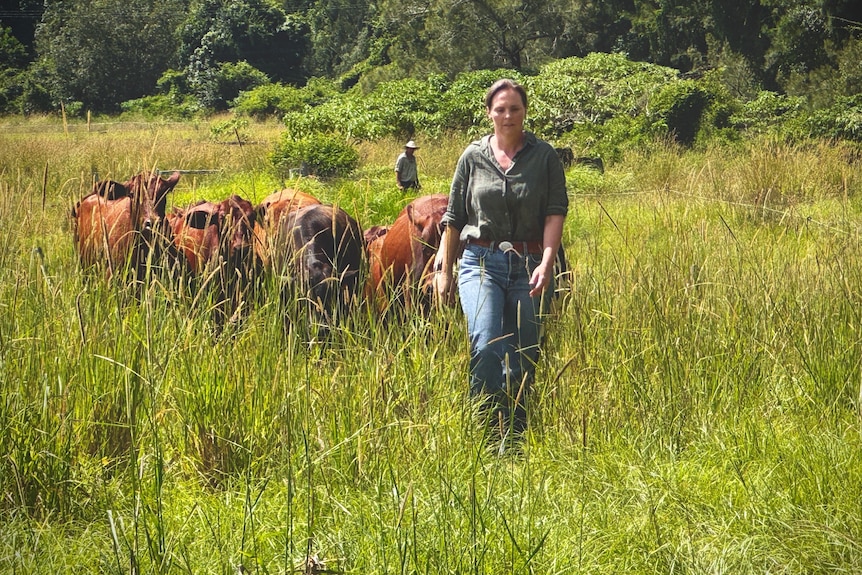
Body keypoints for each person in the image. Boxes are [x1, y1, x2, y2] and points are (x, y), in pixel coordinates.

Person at [433, 78, 568, 452]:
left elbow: (555, 211)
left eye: (515, 108)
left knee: (524, 352)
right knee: (487, 342)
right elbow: (454, 215)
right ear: (489, 112)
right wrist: (446, 270)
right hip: (480, 262)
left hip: (529, 264)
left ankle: (517, 433)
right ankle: (487, 431)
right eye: (500, 109)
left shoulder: (545, 157)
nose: (507, 115)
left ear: (525, 111)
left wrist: (546, 261)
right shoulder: (472, 157)